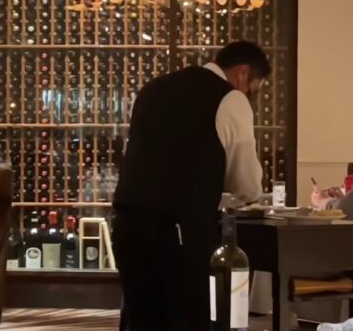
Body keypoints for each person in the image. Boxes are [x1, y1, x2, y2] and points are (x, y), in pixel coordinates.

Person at [112, 41, 269, 331]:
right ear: (243, 74)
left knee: (142, 318)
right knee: (187, 319)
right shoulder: (231, 99)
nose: (250, 95)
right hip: (177, 230)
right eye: (254, 88)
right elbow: (246, 185)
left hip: (126, 223)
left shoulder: (153, 89)